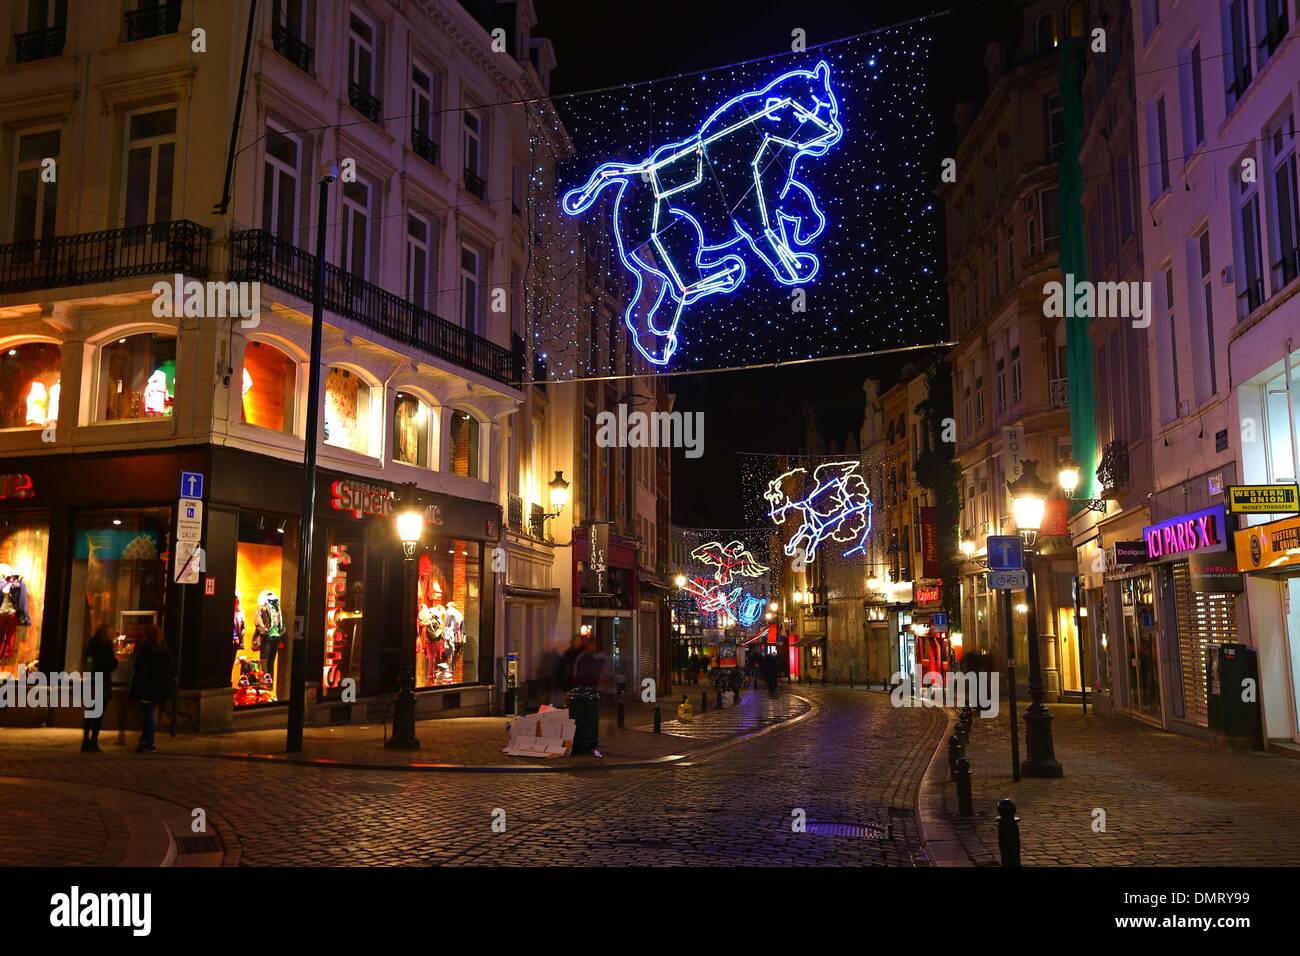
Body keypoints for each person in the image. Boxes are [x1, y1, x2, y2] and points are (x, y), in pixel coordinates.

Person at [128, 624, 173, 753]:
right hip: (157, 687)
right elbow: (169, 668)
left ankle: (149, 742)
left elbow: (139, 668)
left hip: (147, 686)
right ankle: (145, 740)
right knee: (150, 712)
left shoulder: (146, 650)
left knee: (148, 714)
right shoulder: (164, 650)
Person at [81, 625, 117, 753]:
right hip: (102, 682)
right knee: (98, 713)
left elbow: (87, 661)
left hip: (91, 681)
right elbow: (110, 663)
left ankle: (86, 740)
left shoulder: (91, 644)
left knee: (90, 712)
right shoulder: (106, 646)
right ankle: (94, 741)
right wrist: (114, 662)